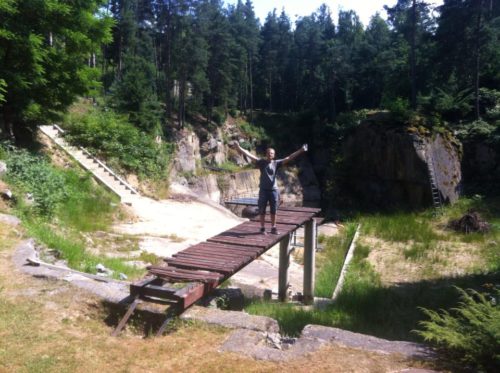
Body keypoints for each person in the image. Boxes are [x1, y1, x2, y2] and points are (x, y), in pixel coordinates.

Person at [233, 142, 308, 234]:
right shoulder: (261, 162)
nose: (270, 154)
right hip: (263, 190)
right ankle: (262, 228)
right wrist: (239, 147)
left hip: (273, 190)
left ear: (274, 155)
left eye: (272, 153)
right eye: (268, 153)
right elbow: (248, 154)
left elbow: (289, 157)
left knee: (273, 210)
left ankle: (273, 227)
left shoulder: (276, 163)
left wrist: (301, 150)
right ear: (266, 154)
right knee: (262, 210)